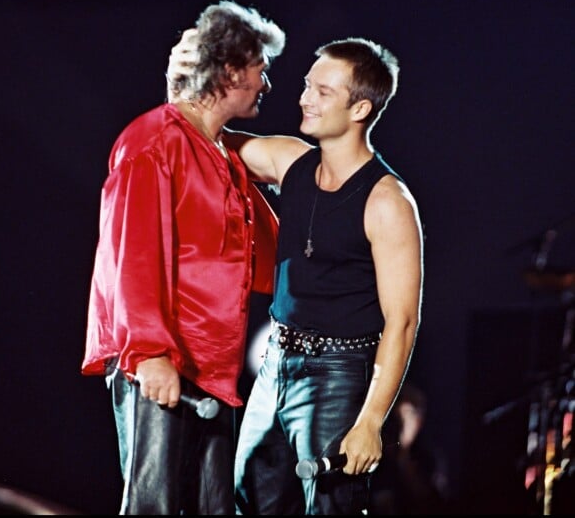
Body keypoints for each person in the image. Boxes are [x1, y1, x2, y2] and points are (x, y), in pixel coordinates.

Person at [167, 32, 424, 514]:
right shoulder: (290, 160)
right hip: (274, 364)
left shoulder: (387, 201)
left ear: (360, 110)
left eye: (323, 92)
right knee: (249, 497)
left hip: (339, 374)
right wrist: (185, 80)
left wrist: (370, 421)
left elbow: (403, 321)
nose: (305, 98)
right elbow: (201, 133)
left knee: (330, 506)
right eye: (307, 85)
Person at [81, 0, 286, 515]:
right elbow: (131, 255)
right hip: (165, 357)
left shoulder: (213, 148)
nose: (266, 83)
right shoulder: (153, 142)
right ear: (233, 69)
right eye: (262, 69)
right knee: (157, 505)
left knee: (209, 507)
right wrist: (150, 353)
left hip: (209, 360)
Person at [368, 382, 450, 515]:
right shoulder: (378, 454)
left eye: (408, 414)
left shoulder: (428, 459)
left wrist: (404, 461)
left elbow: (434, 501)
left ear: (419, 421)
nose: (402, 423)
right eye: (398, 416)